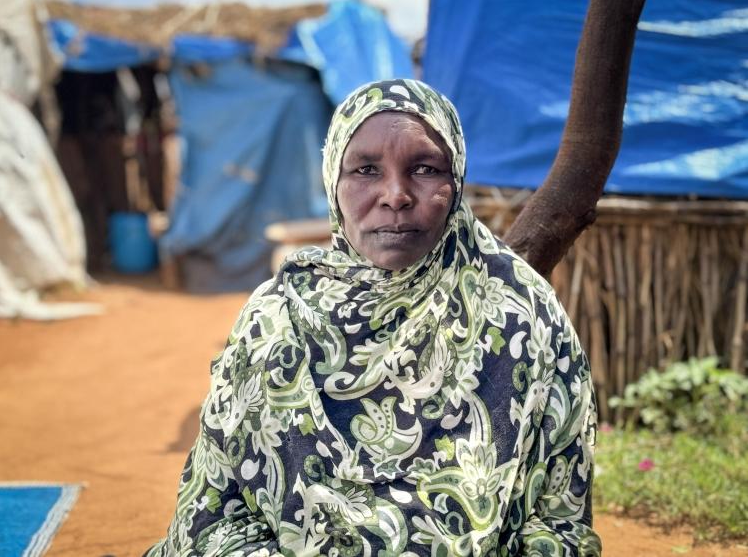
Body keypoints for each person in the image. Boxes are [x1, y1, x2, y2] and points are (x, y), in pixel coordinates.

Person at [146, 79, 600, 557]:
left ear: (457, 180)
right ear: (333, 182)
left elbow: (557, 521)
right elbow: (216, 511)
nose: (396, 195)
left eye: (425, 168)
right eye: (365, 169)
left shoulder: (520, 315)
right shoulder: (277, 320)